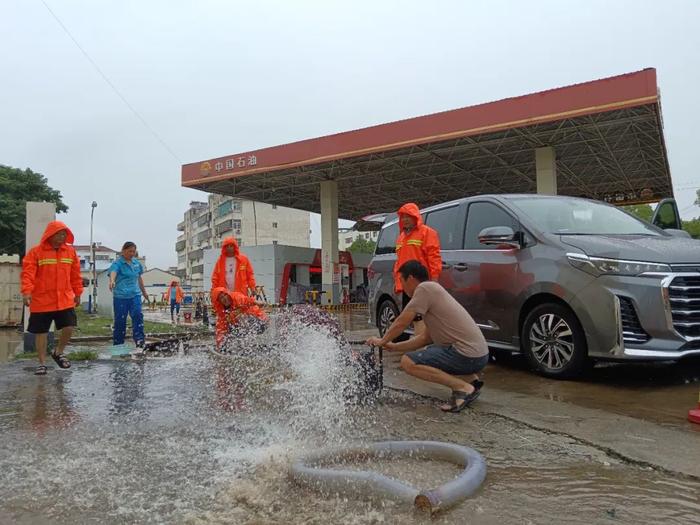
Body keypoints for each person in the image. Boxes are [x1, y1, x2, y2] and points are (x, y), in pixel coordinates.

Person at [367, 260, 488, 413]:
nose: (401, 287)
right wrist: (393, 346)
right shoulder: (433, 292)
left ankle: (462, 388)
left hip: (467, 355)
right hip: (477, 356)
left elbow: (402, 321)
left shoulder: (425, 288)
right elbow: (424, 338)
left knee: (407, 362)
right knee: (430, 351)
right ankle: (472, 381)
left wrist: (382, 340)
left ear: (410, 278)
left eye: (401, 281)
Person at [20, 221, 83, 375]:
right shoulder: (36, 252)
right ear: (50, 234)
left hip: (64, 299)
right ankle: (41, 363)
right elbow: (28, 274)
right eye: (59, 234)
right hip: (42, 300)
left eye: (64, 234)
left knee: (69, 327)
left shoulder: (70, 252)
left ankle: (58, 352)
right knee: (41, 332)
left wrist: (78, 293)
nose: (62, 237)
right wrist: (27, 292)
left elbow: (75, 275)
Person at [393, 203, 442, 336]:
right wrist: (398, 283)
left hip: (421, 282)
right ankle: (421, 344)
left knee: (420, 315)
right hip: (408, 284)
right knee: (414, 316)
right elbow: (399, 263)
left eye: (408, 216)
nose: (405, 219)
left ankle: (422, 346)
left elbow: (434, 257)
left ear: (415, 217)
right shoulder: (401, 238)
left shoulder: (427, 233)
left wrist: (435, 279)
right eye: (402, 217)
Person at [108, 242, 149, 351]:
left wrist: (144, 292)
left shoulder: (136, 263)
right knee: (120, 321)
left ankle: (140, 342)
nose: (132, 253)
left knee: (138, 316)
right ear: (123, 251)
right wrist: (112, 281)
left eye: (133, 251)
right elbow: (113, 272)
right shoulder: (118, 263)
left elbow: (139, 278)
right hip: (121, 297)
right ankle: (118, 346)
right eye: (129, 251)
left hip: (135, 295)